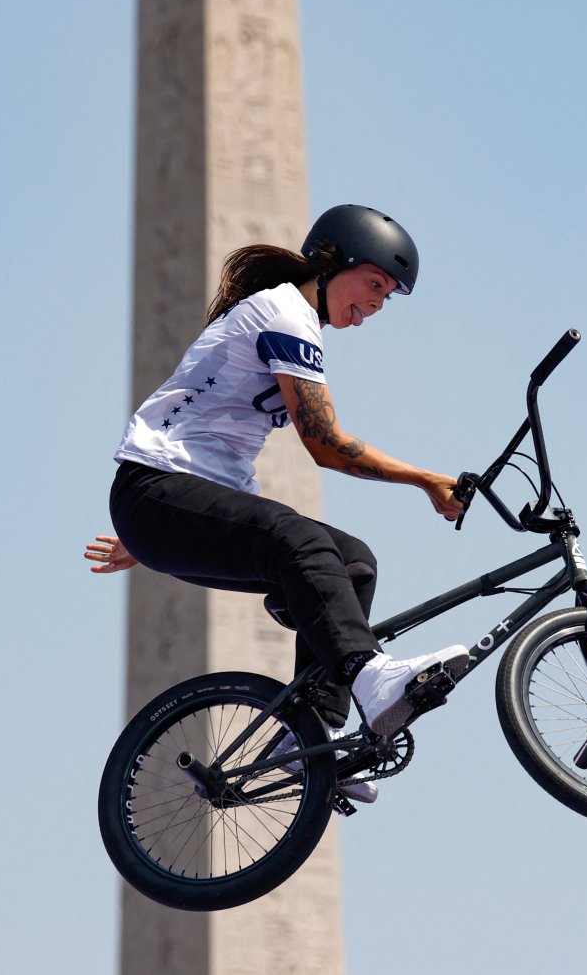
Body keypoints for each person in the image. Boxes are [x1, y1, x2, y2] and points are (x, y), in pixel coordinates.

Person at [86, 204, 469, 803]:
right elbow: (326, 445)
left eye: (388, 297)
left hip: (170, 506)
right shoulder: (283, 313)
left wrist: (154, 536)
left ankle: (306, 735)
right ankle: (371, 677)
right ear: (332, 260)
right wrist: (425, 479)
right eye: (374, 284)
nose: (377, 303)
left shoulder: (297, 324)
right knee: (302, 540)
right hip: (154, 495)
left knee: (354, 561)